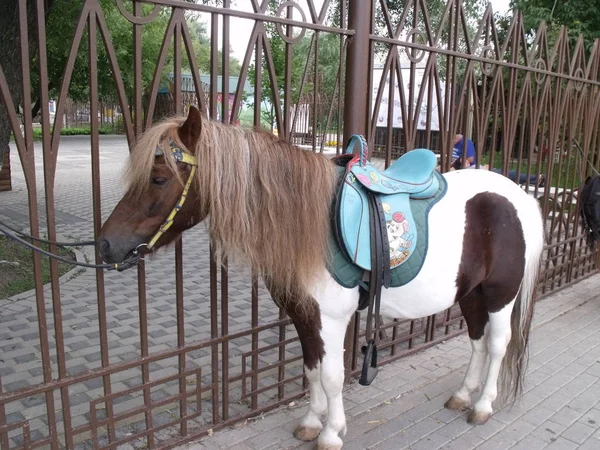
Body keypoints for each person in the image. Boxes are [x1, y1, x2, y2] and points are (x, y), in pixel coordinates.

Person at [450, 134, 545, 187]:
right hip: (482, 173)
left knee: (509, 174)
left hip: (482, 171)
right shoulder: (458, 168)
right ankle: (536, 179)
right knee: (509, 174)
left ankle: (535, 179)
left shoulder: (466, 143)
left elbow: (471, 159)